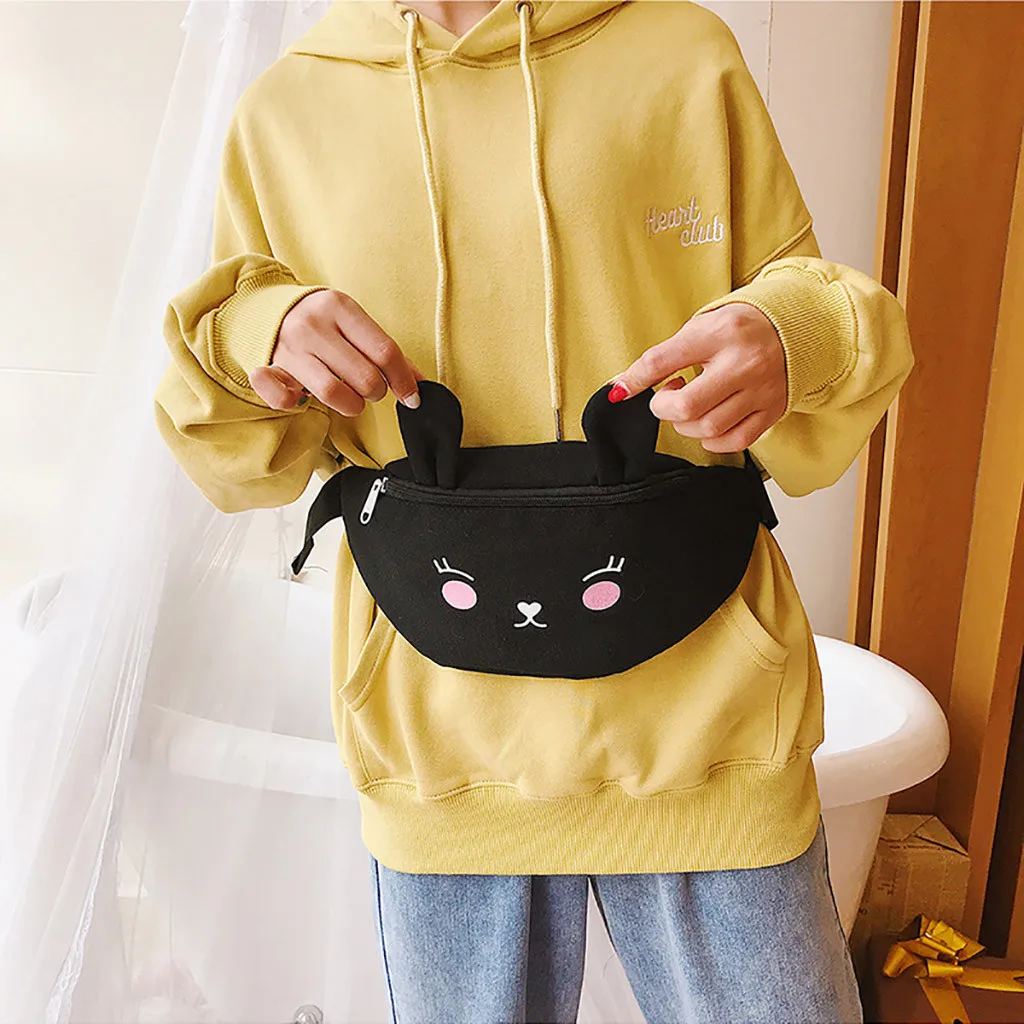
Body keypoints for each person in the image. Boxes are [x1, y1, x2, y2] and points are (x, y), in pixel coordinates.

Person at [153, 1, 913, 1020]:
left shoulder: (681, 54)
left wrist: (790, 333)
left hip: (709, 731)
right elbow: (240, 462)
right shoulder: (287, 109)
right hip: (444, 749)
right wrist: (257, 328)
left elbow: (804, 302)